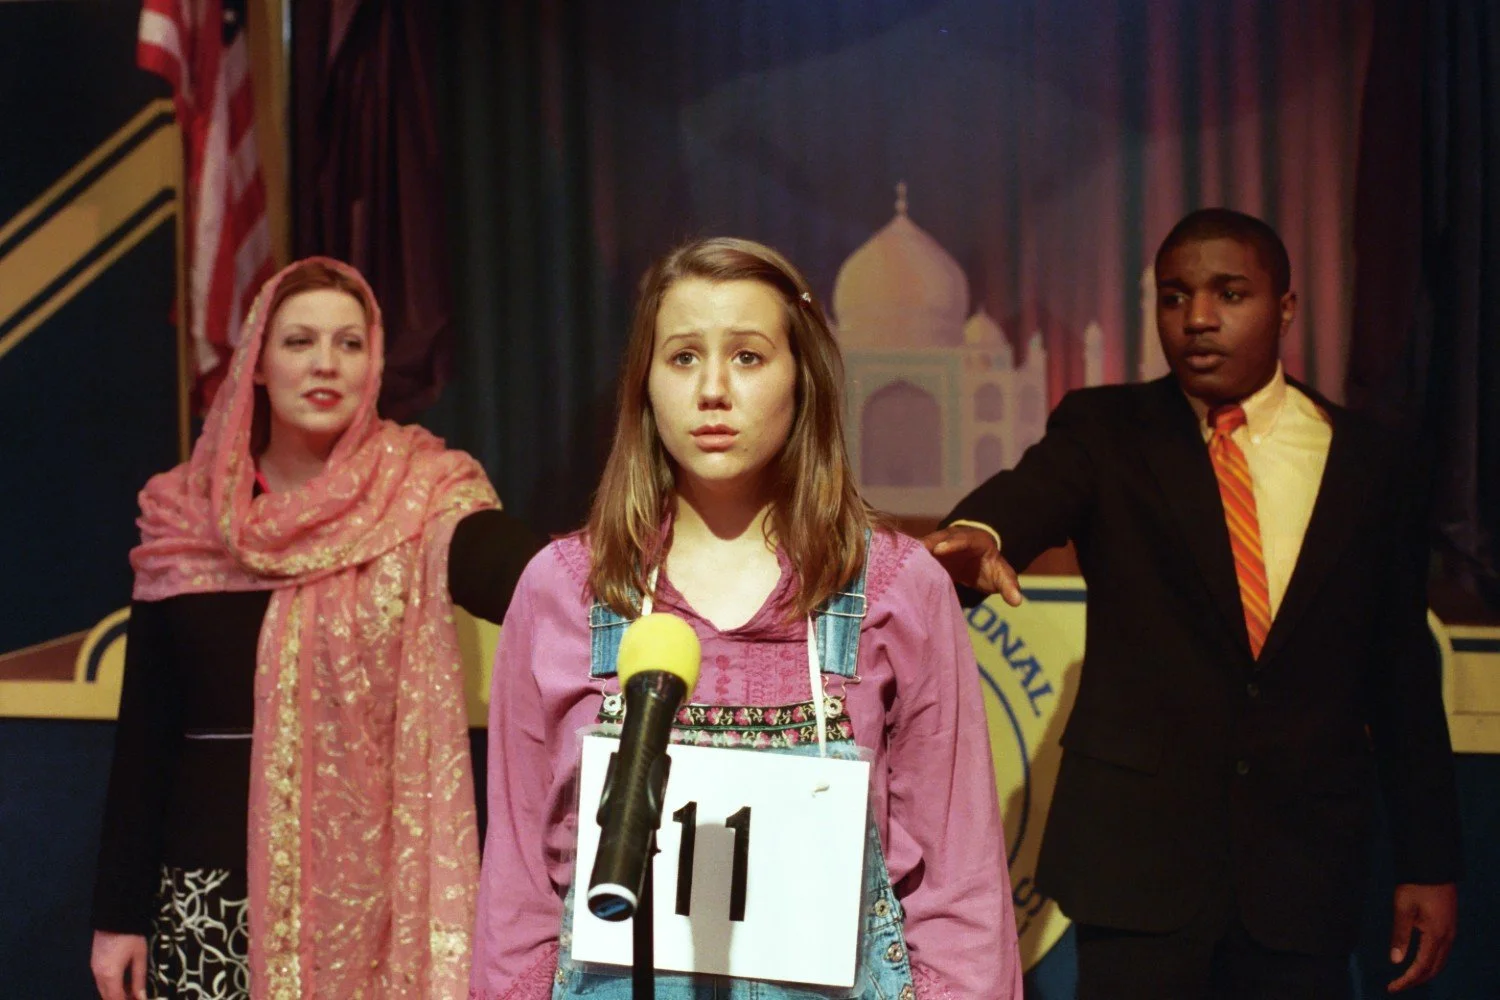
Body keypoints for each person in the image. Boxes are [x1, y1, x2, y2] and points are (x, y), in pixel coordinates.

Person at [924, 208, 1462, 999]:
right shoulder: (1107, 429)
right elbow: (1031, 494)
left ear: (1284, 307)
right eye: (1173, 297)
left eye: (1229, 293)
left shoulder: (1371, 464)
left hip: (1302, 878)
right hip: (1139, 873)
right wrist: (978, 530)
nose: (1197, 318)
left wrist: (1429, 861)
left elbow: (1403, 676)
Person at [469, 237, 1021, 999]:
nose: (713, 390)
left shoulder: (897, 589)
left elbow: (961, 891)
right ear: (645, 384)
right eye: (684, 357)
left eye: (750, 357)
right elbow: (519, 894)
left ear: (805, 380)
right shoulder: (564, 591)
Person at [89, 258, 542, 1000]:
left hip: (367, 896)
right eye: (299, 342)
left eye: (350, 343)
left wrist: (597, 574)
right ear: (257, 364)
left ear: (375, 362)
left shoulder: (420, 492)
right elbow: (145, 733)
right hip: (210, 891)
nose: (326, 363)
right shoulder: (183, 516)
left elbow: (511, 572)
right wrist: (117, 916)